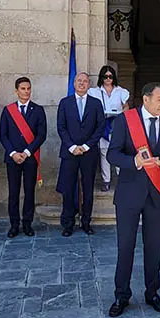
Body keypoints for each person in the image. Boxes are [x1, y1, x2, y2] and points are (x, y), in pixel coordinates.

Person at [106, 82, 160, 318]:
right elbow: (112, 153)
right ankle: (122, 294)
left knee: (154, 247)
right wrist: (135, 162)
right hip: (129, 194)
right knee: (126, 246)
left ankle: (153, 293)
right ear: (146, 99)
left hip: (156, 195)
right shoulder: (125, 120)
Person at [56, 72, 105, 237]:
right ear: (74, 83)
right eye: (79, 81)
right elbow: (61, 127)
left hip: (88, 153)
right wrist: (72, 147)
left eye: (85, 81)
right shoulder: (65, 103)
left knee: (88, 188)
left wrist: (85, 146)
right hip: (69, 153)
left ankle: (86, 222)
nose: (82, 84)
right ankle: (68, 223)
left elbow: (100, 128)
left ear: (88, 84)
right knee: (68, 189)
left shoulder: (96, 104)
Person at [0, 76, 47, 238]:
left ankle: (27, 223)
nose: (26, 92)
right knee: (13, 192)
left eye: (28, 88)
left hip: (30, 158)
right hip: (12, 158)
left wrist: (26, 153)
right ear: (16, 91)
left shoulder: (38, 110)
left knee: (29, 192)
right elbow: (3, 135)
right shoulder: (8, 110)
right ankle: (14, 225)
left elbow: (41, 135)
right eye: (23, 89)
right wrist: (13, 153)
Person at [93, 65, 130, 192]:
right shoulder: (95, 92)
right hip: (102, 124)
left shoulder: (121, 91)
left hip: (116, 123)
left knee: (119, 151)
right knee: (104, 153)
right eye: (105, 76)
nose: (108, 79)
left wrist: (123, 115)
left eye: (110, 76)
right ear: (101, 78)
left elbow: (126, 106)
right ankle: (106, 180)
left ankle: (122, 178)